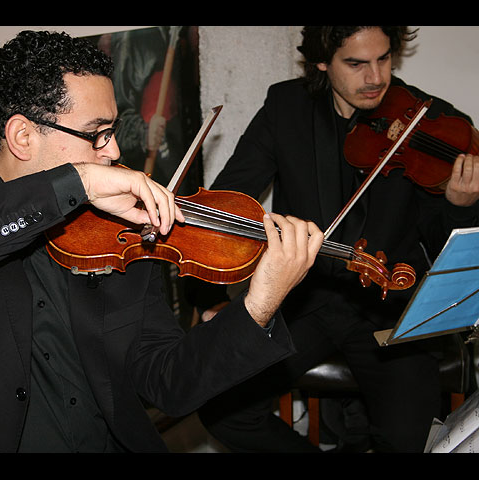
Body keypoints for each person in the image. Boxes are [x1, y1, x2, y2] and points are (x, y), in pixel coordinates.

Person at [0, 30, 323, 452]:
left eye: (113, 131)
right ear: (23, 136)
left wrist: (257, 306)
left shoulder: (117, 230)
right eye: (95, 135)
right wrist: (74, 183)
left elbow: (167, 382)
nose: (114, 152)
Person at [193, 26, 479, 453]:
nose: (376, 78)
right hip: (305, 300)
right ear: (322, 62)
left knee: (409, 441)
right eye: (356, 63)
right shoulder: (285, 107)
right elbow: (228, 201)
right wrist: (211, 295)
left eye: (383, 59)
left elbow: (442, 242)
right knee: (221, 408)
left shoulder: (434, 123)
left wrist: (460, 205)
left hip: (389, 306)